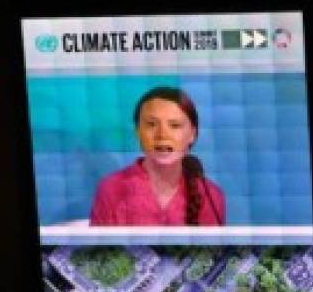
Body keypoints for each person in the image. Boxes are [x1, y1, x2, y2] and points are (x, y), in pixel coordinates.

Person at [88, 86, 225, 227]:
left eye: (175, 125)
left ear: (192, 134)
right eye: (151, 124)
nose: (162, 135)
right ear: (137, 132)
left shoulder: (210, 195)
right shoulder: (111, 188)